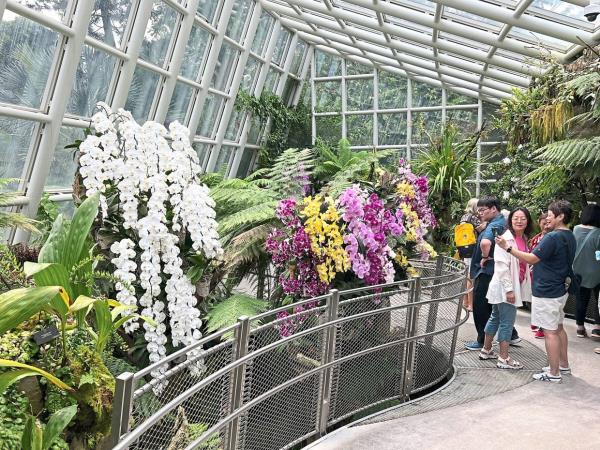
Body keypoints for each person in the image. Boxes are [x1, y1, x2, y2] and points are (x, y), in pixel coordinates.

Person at [496, 200, 576, 382]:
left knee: (550, 331)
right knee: (558, 327)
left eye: (550, 214)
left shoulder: (552, 237)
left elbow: (531, 259)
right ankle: (562, 365)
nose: (547, 218)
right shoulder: (569, 235)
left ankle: (553, 373)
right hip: (560, 288)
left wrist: (508, 248)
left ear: (560, 216)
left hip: (548, 290)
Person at [479, 208, 533, 369]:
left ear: (528, 221)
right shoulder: (506, 239)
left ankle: (486, 350)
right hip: (505, 287)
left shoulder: (523, 238)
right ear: (510, 221)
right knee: (507, 322)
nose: (519, 221)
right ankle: (504, 358)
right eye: (515, 218)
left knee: (495, 317)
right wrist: (509, 290)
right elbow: (501, 266)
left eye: (523, 218)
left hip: (506, 286)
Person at [464, 196, 520, 351]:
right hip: (497, 270)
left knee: (481, 306)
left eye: (483, 210)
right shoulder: (502, 222)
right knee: (495, 306)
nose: (480, 213)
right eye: (479, 210)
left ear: (494, 209)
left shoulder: (493, 225)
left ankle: (481, 340)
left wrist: (484, 257)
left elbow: (485, 243)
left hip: (487, 270)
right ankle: (513, 335)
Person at [572, 204, 600, 343]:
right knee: (598, 300)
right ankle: (596, 327)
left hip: (578, 270)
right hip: (596, 272)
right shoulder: (599, 233)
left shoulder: (575, 229)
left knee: (581, 299)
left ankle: (580, 327)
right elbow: (599, 255)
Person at [460, 198, 487, 311]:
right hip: (472, 250)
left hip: (463, 249)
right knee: (471, 278)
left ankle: (465, 302)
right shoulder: (474, 218)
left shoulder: (464, 217)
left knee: (466, 277)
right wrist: (486, 223)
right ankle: (471, 304)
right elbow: (481, 230)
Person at [529, 212, 550, 339]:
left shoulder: (552, 238)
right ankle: (537, 321)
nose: (546, 225)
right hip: (534, 271)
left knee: (544, 300)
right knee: (535, 297)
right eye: (544, 223)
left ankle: (542, 327)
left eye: (548, 222)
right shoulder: (536, 238)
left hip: (546, 273)